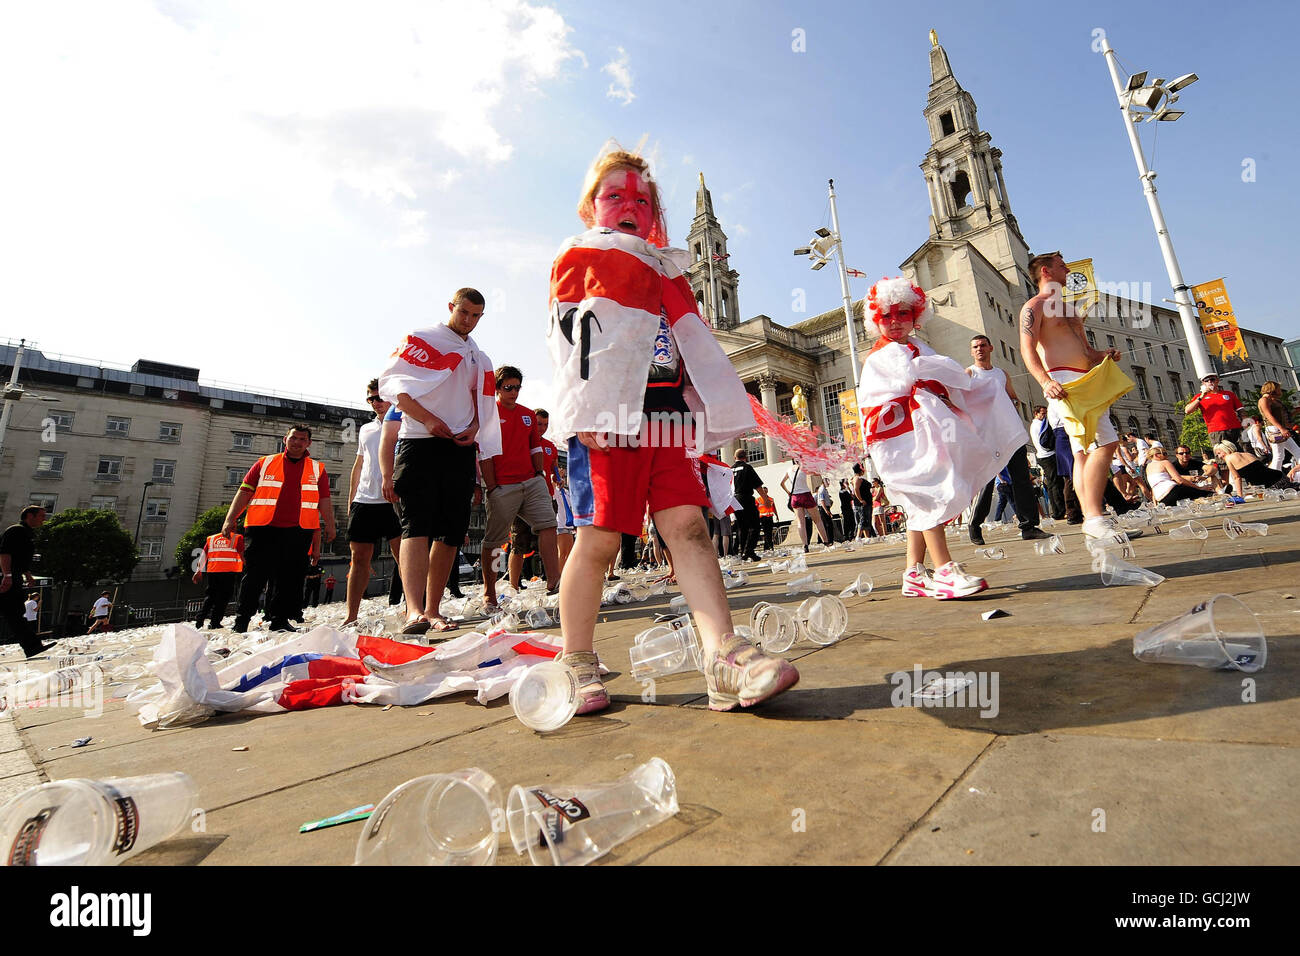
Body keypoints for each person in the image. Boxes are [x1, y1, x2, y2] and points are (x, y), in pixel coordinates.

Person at [548, 143, 796, 714]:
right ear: (591, 207)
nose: (629, 205)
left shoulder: (667, 270)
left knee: (688, 528)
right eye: (615, 196)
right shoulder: (581, 254)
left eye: (641, 197)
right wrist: (585, 412)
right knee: (599, 539)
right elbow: (570, 341)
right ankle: (577, 659)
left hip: (663, 416)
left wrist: (701, 406)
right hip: (607, 417)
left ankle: (723, 656)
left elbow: (691, 346)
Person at [857, 277, 1025, 599]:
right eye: (887, 316)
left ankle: (914, 573)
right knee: (930, 494)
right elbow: (891, 392)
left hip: (925, 435)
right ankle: (945, 569)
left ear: (915, 316)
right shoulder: (881, 356)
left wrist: (967, 384)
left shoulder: (918, 348)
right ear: (877, 320)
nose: (895, 322)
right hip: (902, 442)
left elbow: (943, 380)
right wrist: (933, 373)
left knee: (923, 500)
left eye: (903, 314)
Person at [379, 287, 502, 634]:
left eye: (477, 316)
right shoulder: (422, 338)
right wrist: (428, 419)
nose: (469, 321)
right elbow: (394, 387)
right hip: (419, 442)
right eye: (464, 313)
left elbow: (484, 403)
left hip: (460, 447)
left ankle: (434, 609)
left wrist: (476, 427)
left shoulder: (479, 356)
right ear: (451, 307)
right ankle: (413, 610)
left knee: (451, 532)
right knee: (416, 525)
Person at [1020, 251, 1135, 547]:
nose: (1068, 269)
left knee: (1083, 451)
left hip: (1087, 379)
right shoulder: (1034, 306)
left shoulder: (1070, 308)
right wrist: (1045, 382)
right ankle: (1095, 518)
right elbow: (1028, 350)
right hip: (1064, 381)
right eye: (1061, 266)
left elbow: (1085, 351)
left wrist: (1103, 355)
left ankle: (1092, 519)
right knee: (1106, 443)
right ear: (1045, 271)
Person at [222, 425, 336, 633]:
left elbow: (325, 499)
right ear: (285, 439)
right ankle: (242, 620)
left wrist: (330, 524)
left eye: (303, 439)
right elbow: (245, 491)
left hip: (299, 531)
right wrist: (230, 518)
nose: (297, 442)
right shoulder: (264, 463)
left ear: (309, 443)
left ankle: (279, 620)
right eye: (294, 438)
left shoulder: (317, 469)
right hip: (263, 528)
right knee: (254, 577)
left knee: (290, 579)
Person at [479, 366, 560, 611]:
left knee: (549, 525)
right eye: (508, 388)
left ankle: (554, 582)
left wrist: (538, 474)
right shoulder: (488, 413)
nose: (514, 392)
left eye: (517, 387)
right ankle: (489, 593)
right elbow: (484, 453)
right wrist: (492, 486)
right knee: (495, 541)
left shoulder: (527, 415)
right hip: (503, 485)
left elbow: (535, 447)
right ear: (497, 388)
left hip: (532, 482)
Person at [966, 334, 1047, 543]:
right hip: (987, 438)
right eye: (975, 347)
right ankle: (975, 525)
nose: (979, 349)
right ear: (971, 351)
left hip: (1010, 434)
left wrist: (1012, 403)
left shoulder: (1002, 374)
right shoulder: (969, 373)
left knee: (1021, 480)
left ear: (991, 348)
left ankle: (1029, 526)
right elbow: (961, 401)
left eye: (983, 345)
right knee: (987, 480)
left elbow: (1012, 397)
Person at [342, 379, 404, 627]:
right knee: (359, 559)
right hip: (364, 500)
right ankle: (351, 616)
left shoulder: (404, 422)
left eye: (379, 397)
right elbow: (359, 465)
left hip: (393, 499)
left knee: (403, 557)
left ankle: (413, 608)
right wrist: (351, 498)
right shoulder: (365, 429)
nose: (376, 403)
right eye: (371, 399)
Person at [0, 506, 52, 657]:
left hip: (14, 576)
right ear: (30, 516)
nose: (44, 519)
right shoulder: (16, 530)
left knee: (15, 613)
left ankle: (32, 647)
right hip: (7, 576)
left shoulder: (28, 533)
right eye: (42, 516)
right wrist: (7, 575)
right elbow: (4, 553)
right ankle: (32, 646)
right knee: (14, 613)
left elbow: (20, 558)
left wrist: (28, 575)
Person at [193, 528, 244, 630]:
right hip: (229, 572)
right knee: (223, 598)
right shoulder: (237, 538)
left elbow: (204, 554)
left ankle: (199, 620)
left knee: (210, 597)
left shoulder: (212, 539)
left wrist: (198, 570)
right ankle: (215, 622)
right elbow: (242, 555)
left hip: (213, 571)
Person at [780, 457, 830, 552]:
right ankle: (826, 542)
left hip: (795, 497)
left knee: (800, 523)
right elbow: (817, 473)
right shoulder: (804, 467)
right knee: (817, 520)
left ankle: (805, 545)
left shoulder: (789, 469)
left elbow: (781, 483)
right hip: (806, 495)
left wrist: (788, 492)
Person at [1213, 441, 1297, 497]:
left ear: (1226, 449)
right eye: (1217, 455)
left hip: (1272, 485)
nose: (1220, 457)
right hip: (1280, 477)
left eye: (1219, 453)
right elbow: (1256, 473)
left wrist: (1239, 496)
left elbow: (1237, 478)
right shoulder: (1248, 454)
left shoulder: (1229, 458)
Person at [1185, 373, 1243, 447]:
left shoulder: (1229, 394)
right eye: (1206, 380)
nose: (1210, 381)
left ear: (1217, 380)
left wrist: (1246, 423)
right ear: (1203, 383)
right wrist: (1201, 396)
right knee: (1222, 454)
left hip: (1235, 428)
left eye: (1212, 379)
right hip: (1216, 431)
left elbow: (1241, 410)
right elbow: (1187, 410)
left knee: (1241, 452)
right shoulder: (1200, 397)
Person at [1145, 446, 1214, 506]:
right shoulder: (1164, 462)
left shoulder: (1148, 467)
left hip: (1162, 499)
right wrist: (1199, 488)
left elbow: (1153, 486)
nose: (1167, 456)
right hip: (1173, 491)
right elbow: (1179, 480)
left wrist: (1155, 501)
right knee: (1207, 494)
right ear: (1156, 455)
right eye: (1164, 454)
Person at [1029, 406, 1065, 520]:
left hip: (1042, 456)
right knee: (1056, 484)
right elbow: (1046, 442)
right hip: (1048, 456)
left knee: (1051, 484)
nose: (1045, 416)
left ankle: (1056, 510)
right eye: (1043, 413)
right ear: (1036, 413)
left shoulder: (1034, 425)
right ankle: (1059, 510)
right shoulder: (1039, 425)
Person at [1257, 381, 1300, 471]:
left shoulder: (1274, 400)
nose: (1280, 391)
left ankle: (1275, 479)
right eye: (1278, 389)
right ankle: (1274, 479)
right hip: (1275, 429)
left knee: (1294, 451)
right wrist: (1282, 429)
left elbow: (1283, 416)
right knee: (1279, 455)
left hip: (1279, 428)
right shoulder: (1264, 400)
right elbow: (1269, 416)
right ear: (1272, 389)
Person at [730, 448, 763, 562]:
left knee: (742, 527)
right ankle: (749, 550)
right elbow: (758, 485)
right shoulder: (747, 467)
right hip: (746, 498)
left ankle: (744, 552)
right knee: (755, 526)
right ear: (746, 457)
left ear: (735, 458)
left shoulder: (730, 469)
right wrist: (765, 499)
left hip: (735, 499)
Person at [851, 463, 875, 539]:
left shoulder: (858, 478)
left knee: (866, 520)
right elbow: (856, 489)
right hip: (862, 503)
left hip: (865, 502)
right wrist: (861, 500)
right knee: (863, 519)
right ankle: (858, 537)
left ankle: (867, 537)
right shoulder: (857, 478)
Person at [755, 485, 776, 551]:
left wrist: (777, 515)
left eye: (766, 490)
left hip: (770, 517)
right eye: (764, 491)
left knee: (769, 532)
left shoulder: (771, 499)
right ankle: (770, 546)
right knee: (766, 532)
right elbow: (755, 509)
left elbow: (774, 508)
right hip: (763, 517)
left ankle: (767, 547)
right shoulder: (758, 499)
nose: (765, 492)